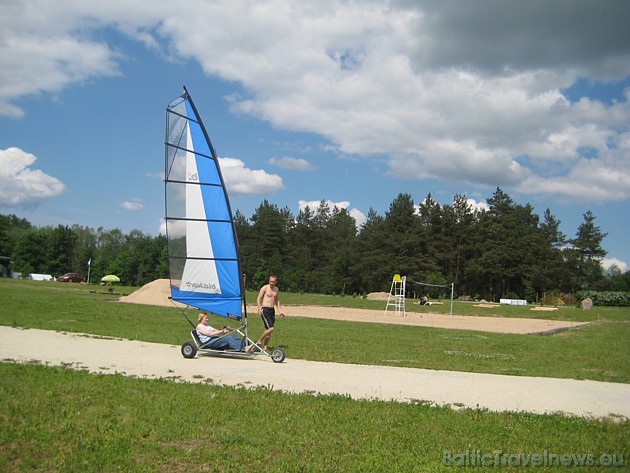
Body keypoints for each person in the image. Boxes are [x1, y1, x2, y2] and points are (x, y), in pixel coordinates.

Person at [251, 275, 285, 351]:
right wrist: (259, 308)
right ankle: (259, 341)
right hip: (265, 310)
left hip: (272, 310)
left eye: (273, 281)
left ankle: (265, 347)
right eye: (270, 281)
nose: (271, 283)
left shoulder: (276, 289)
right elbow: (259, 297)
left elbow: (277, 301)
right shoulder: (265, 288)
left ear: (276, 282)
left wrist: (280, 311)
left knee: (268, 331)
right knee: (271, 328)